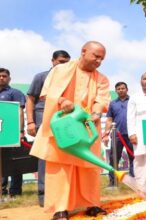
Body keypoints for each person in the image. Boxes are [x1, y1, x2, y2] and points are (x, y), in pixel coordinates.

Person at [29, 41, 110, 219]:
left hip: (87, 128)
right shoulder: (59, 70)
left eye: (102, 59)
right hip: (63, 127)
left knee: (89, 167)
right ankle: (60, 209)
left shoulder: (102, 78)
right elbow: (46, 93)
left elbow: (102, 100)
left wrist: (96, 113)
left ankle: (91, 204)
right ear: (83, 51)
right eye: (96, 56)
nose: (99, 61)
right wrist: (62, 101)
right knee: (60, 167)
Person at [26, 50, 71, 207]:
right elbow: (30, 99)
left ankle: (64, 195)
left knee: (65, 157)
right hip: (43, 118)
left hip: (65, 121)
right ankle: (44, 195)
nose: (64, 64)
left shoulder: (71, 77)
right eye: (60, 61)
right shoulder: (41, 77)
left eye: (67, 61)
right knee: (45, 156)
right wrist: (30, 122)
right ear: (52, 61)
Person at [0, 68, 26, 196]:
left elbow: (20, 112)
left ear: (9, 78)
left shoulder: (15, 93)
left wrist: (20, 131)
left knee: (14, 162)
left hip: (11, 134)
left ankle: (15, 190)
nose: (1, 78)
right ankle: (0, 189)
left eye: (4, 76)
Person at [102, 82, 134, 187]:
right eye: (118, 89)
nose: (121, 90)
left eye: (123, 88)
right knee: (114, 158)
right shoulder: (112, 103)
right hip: (117, 135)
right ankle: (113, 181)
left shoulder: (133, 101)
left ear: (127, 89)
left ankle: (134, 181)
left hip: (131, 135)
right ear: (116, 91)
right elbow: (109, 120)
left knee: (133, 158)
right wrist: (106, 134)